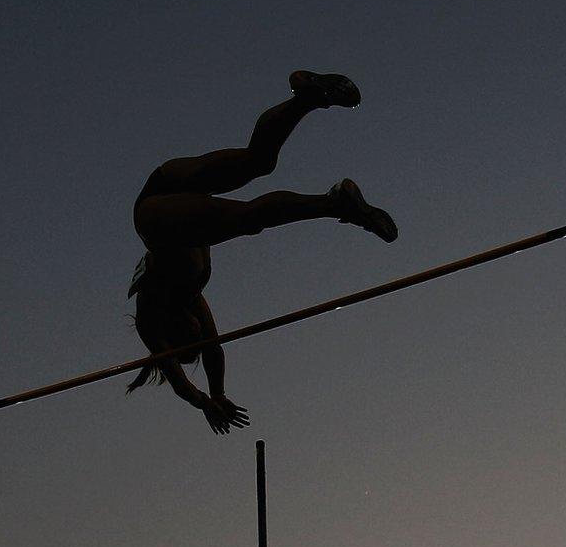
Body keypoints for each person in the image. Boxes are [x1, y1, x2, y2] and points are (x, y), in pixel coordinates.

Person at [127, 70, 397, 432]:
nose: (200, 332)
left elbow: (180, 377)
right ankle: (308, 98)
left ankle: (334, 204)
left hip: (153, 214)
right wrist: (219, 392)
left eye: (190, 337)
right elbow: (214, 348)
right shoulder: (193, 297)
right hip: (170, 186)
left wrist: (208, 401)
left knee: (249, 217)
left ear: (177, 338)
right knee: (259, 161)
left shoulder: (151, 311)